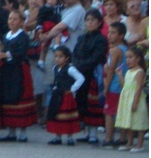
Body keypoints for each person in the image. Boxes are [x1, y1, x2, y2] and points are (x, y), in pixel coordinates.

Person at [0, 10, 38, 142]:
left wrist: (6, 55)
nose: (11, 21)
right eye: (10, 19)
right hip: (7, 70)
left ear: (21, 22)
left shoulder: (23, 36)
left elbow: (21, 52)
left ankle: (23, 132)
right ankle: (11, 131)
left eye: (15, 19)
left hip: (19, 70)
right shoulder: (6, 36)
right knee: (9, 98)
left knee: (21, 97)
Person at [72, 9, 109, 143]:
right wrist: (77, 65)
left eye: (93, 20)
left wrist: (82, 65)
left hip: (93, 74)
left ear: (99, 22)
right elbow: (75, 53)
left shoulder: (101, 39)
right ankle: (87, 133)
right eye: (87, 20)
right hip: (81, 74)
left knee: (92, 103)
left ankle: (93, 134)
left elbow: (97, 57)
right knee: (82, 102)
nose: (90, 23)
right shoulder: (82, 38)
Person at [46, 46, 86, 146]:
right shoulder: (55, 68)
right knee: (57, 115)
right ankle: (57, 136)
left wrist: (72, 89)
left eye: (60, 56)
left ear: (67, 58)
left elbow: (81, 78)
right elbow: (56, 80)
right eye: (56, 56)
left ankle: (69, 137)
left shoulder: (70, 69)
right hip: (57, 95)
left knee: (67, 116)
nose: (57, 59)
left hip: (66, 96)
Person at [115, 46, 148, 152]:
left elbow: (139, 88)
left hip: (135, 99)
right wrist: (120, 75)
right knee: (130, 122)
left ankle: (140, 144)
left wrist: (135, 102)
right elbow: (124, 85)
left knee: (138, 122)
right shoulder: (129, 71)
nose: (128, 60)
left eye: (130, 57)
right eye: (127, 58)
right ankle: (129, 143)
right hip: (127, 99)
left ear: (138, 58)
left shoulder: (139, 72)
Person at [101, 22, 128, 148]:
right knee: (121, 111)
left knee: (109, 112)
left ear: (121, 35)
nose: (109, 35)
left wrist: (106, 87)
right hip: (123, 85)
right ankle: (122, 137)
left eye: (113, 33)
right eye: (109, 32)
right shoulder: (125, 49)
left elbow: (111, 69)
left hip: (115, 86)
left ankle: (108, 138)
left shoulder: (116, 50)